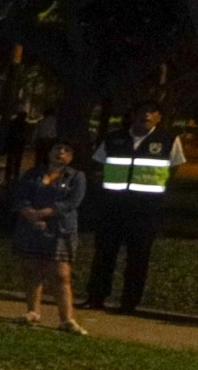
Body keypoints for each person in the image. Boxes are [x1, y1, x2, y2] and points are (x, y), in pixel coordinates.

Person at [84, 103, 183, 312]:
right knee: (104, 254)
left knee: (138, 257)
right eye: (141, 111)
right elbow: (98, 166)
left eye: (152, 112)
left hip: (146, 210)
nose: (146, 115)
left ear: (159, 117)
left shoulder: (168, 140)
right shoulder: (114, 138)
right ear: (133, 115)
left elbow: (174, 170)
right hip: (113, 206)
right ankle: (96, 297)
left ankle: (129, 302)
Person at [11, 140, 87, 334]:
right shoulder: (33, 174)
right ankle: (32, 311)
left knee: (61, 274)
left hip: (61, 230)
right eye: (57, 149)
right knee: (33, 270)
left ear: (71, 156)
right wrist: (30, 213)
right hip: (32, 226)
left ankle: (66, 318)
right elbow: (21, 196)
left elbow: (71, 202)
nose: (60, 153)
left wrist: (45, 212)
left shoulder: (76, 177)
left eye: (66, 150)